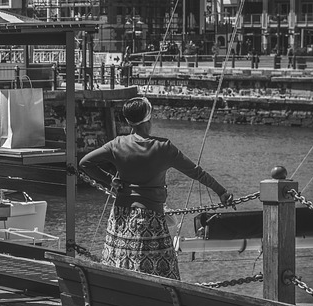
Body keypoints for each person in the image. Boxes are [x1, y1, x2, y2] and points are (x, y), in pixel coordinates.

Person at [78, 96, 233, 280]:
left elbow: (85, 163)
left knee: (122, 264)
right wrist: (221, 192)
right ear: (149, 117)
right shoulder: (163, 147)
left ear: (128, 121)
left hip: (121, 215)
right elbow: (196, 172)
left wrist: (110, 180)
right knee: (161, 273)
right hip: (151, 217)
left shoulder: (117, 144)